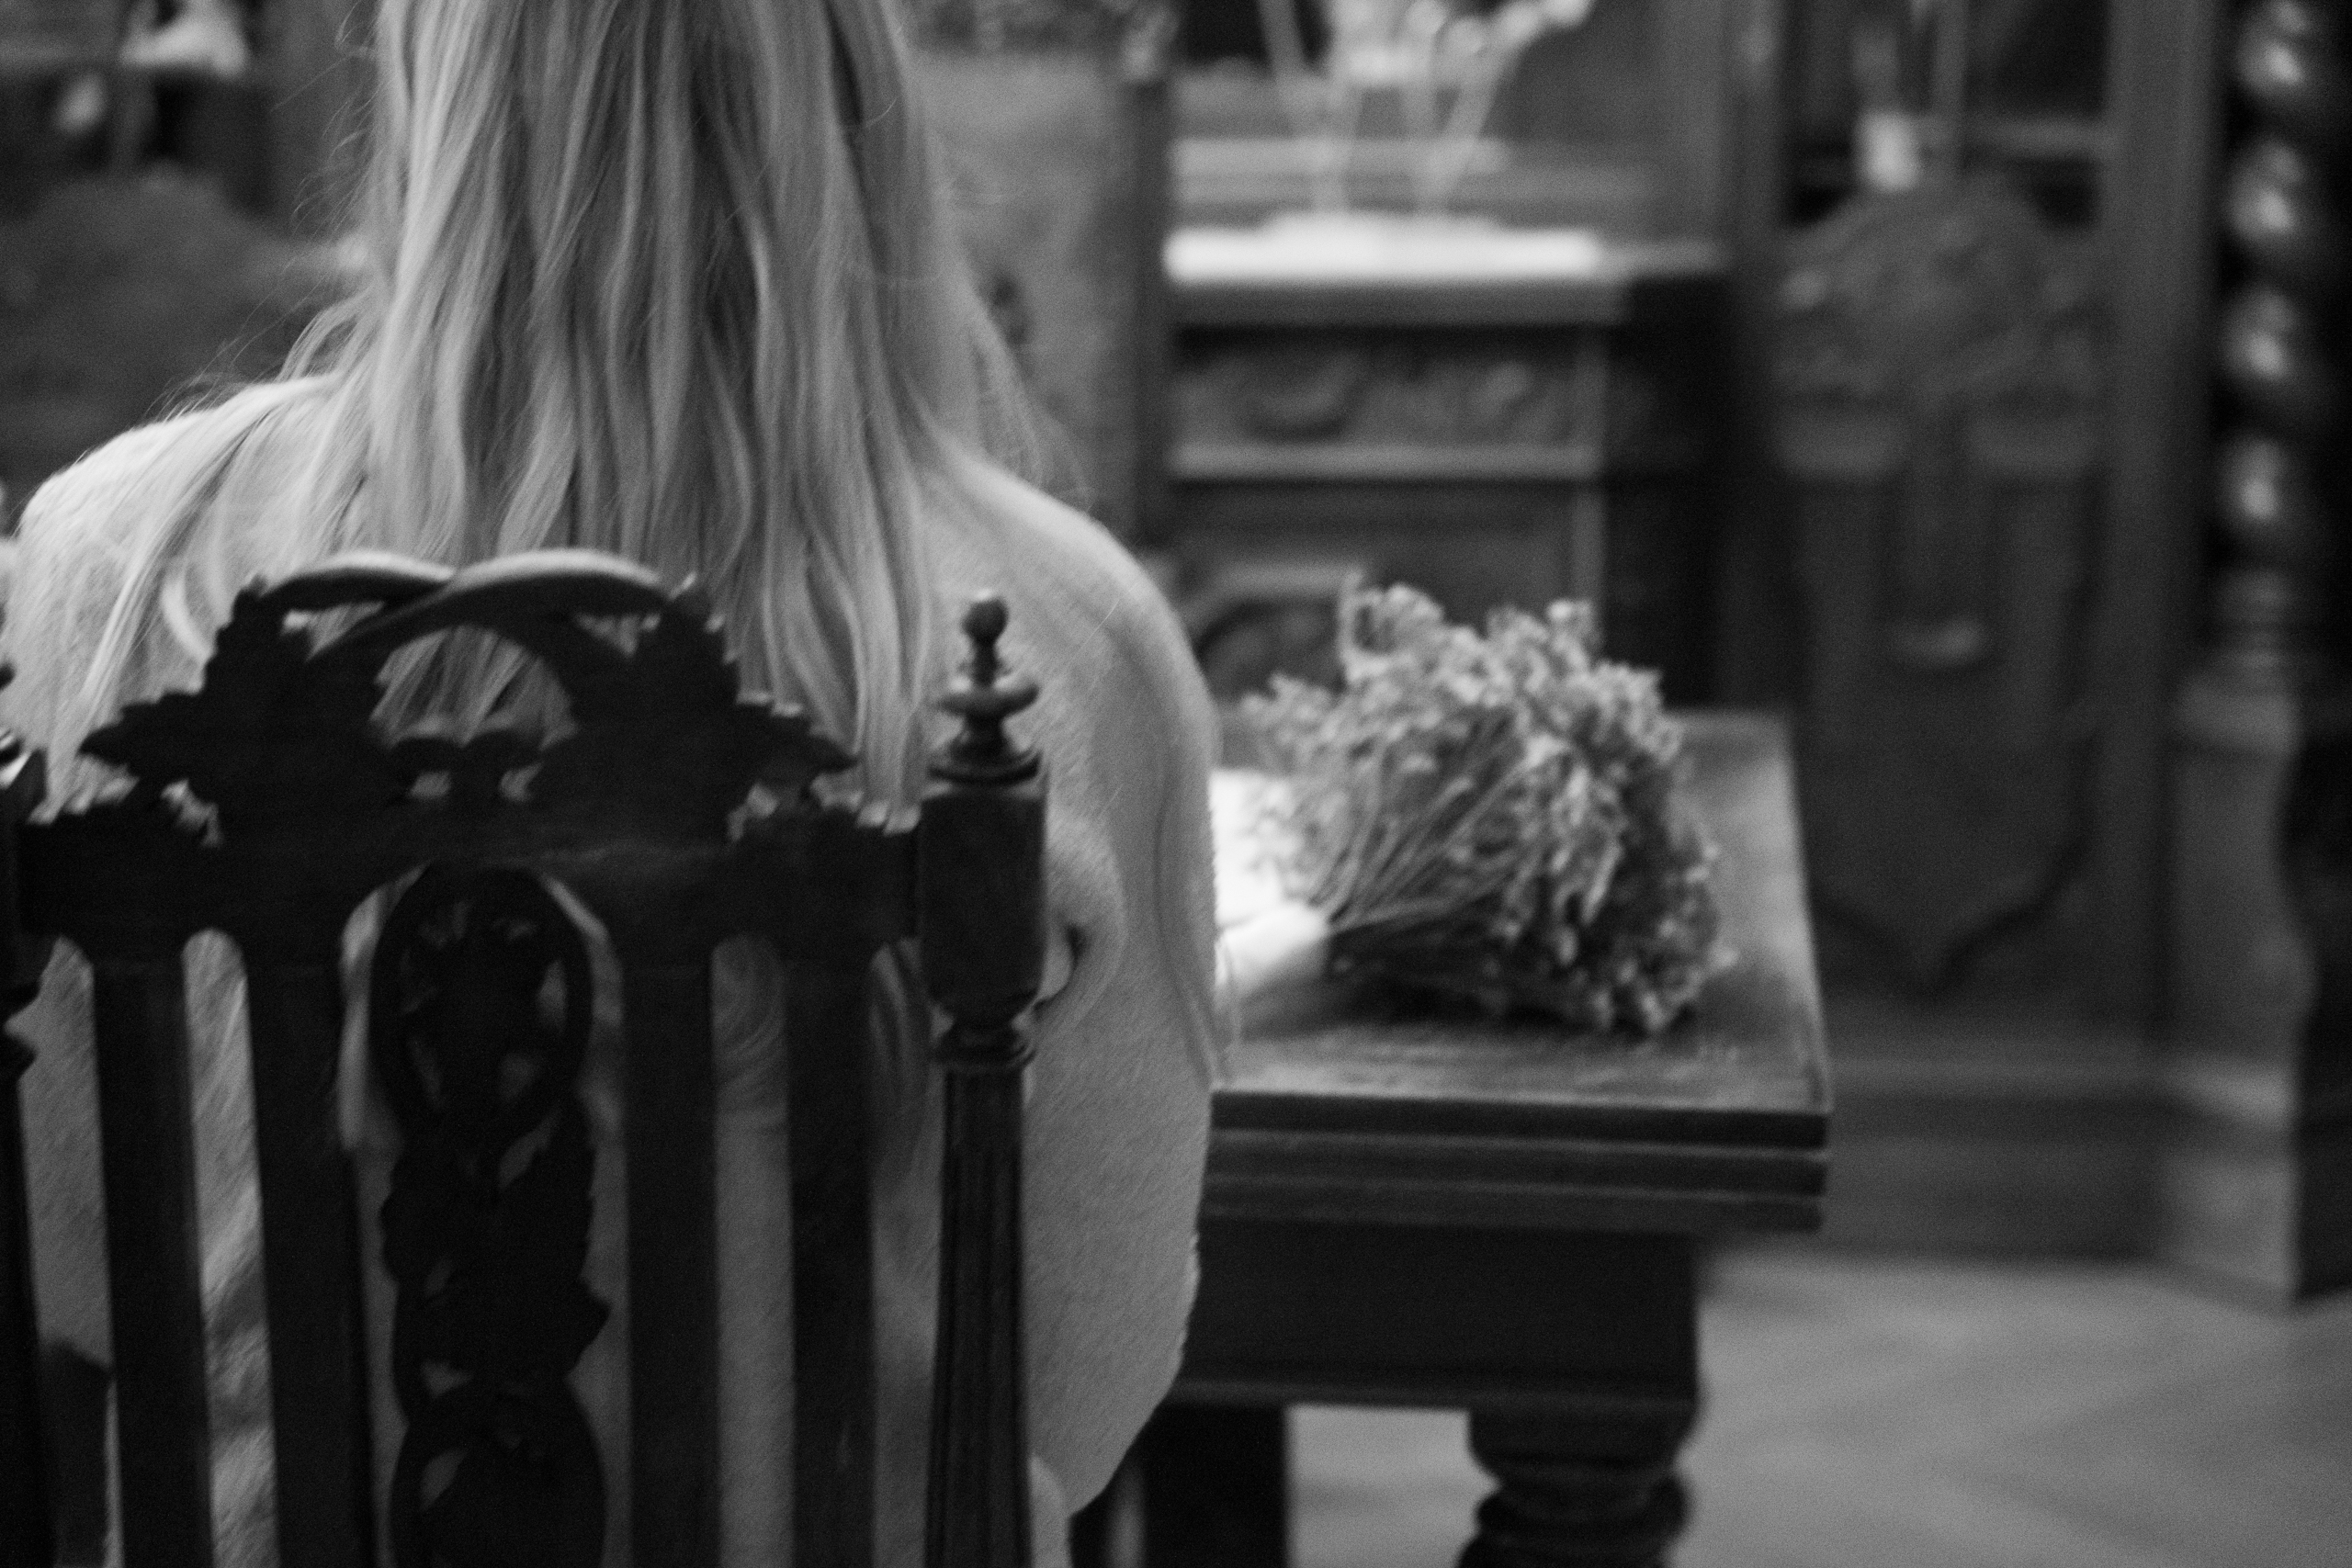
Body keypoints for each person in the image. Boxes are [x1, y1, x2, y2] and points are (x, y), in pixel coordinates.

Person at [5, 1, 1225, 1562]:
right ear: (848, 97)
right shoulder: (1052, 633)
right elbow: (1076, 1380)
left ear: (429, 98)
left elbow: (74, 1271)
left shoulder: (125, 566)